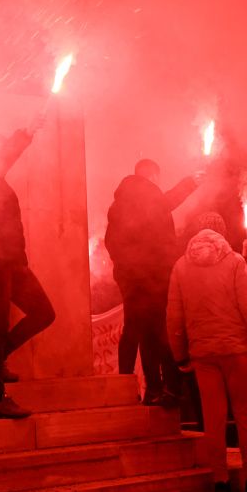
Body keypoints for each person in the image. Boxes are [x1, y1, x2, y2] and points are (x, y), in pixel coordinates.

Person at [167, 212, 247, 492]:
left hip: (203, 354)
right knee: (244, 417)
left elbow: (174, 316)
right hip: (237, 351)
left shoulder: (180, 267)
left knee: (213, 420)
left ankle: (220, 485)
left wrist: (180, 354)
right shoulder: (235, 262)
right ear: (222, 233)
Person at [0, 128, 50, 419]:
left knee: (43, 312)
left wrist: (21, 260)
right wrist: (26, 132)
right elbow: (3, 156)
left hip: (12, 261)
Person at [104, 159, 200, 408]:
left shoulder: (117, 205)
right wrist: (191, 183)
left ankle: (137, 387)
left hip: (132, 278)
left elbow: (111, 243)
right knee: (159, 331)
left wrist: (124, 270)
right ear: (152, 176)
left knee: (137, 330)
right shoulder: (146, 193)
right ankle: (169, 389)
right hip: (154, 276)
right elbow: (165, 203)